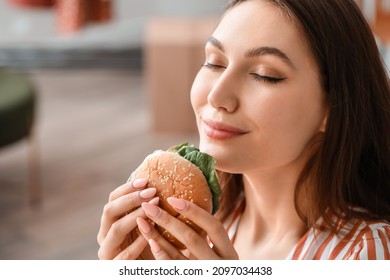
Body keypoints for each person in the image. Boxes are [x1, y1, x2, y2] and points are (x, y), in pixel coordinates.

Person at [97, 0, 390, 260]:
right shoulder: (188, 230)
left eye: (265, 75)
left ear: (333, 108)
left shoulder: (366, 253)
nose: (217, 96)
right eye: (214, 63)